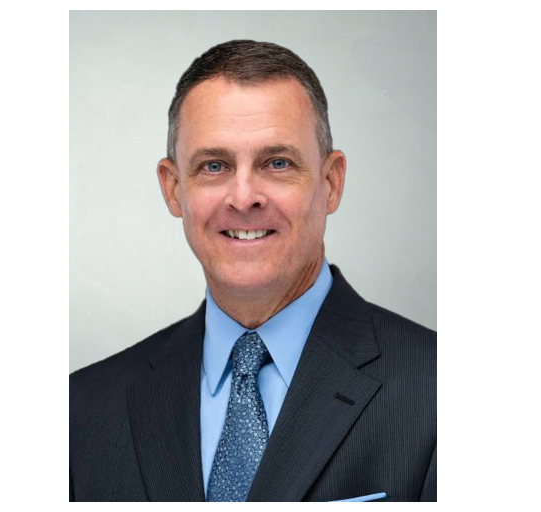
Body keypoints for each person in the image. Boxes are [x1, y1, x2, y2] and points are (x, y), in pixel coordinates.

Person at [69, 40, 436, 502]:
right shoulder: (82, 409)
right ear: (173, 189)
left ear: (331, 182)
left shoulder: (439, 391)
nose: (244, 198)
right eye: (214, 166)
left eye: (277, 163)